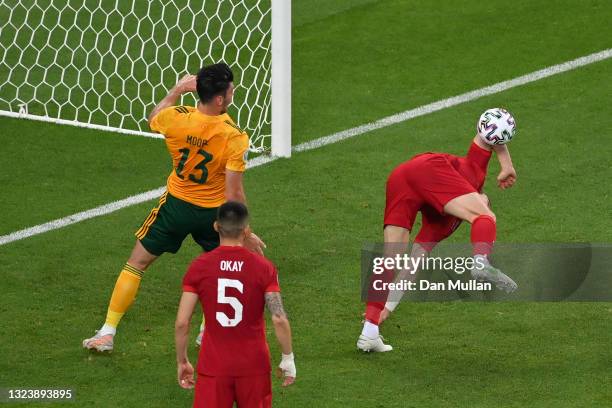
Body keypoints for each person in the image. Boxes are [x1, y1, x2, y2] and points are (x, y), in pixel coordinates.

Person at [83, 63, 264, 352]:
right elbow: (234, 192)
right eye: (231, 88)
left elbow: (153, 117)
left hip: (175, 208)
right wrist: (246, 232)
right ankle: (208, 331)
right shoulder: (234, 136)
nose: (233, 91)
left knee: (136, 263)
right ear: (220, 99)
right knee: (225, 269)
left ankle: (107, 331)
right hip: (212, 214)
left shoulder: (176, 118)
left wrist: (177, 89)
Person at [357, 124, 518, 352]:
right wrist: (507, 164)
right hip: (424, 169)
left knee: (391, 256)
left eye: (483, 200)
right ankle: (481, 262)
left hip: (403, 175)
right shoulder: (473, 177)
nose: (482, 199)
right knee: (486, 217)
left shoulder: (442, 224)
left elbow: (412, 266)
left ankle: (369, 331)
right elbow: (490, 135)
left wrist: (388, 308)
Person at [175, 201, 296, 407]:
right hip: (253, 366)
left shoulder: (199, 267)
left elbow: (182, 323)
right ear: (247, 230)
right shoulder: (264, 268)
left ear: (216, 226)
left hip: (214, 366)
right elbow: (278, 317)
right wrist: (287, 358)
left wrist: (183, 361)